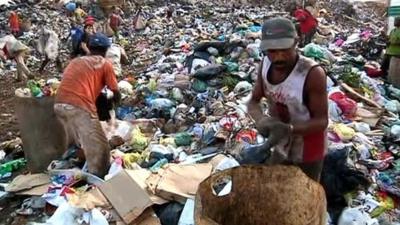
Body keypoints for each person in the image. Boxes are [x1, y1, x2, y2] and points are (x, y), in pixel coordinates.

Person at [247, 17, 328, 182]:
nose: (278, 57)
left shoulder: (312, 74)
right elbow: (253, 101)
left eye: (284, 49)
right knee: (276, 187)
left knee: (304, 195)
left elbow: (321, 121)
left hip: (308, 149)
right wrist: (261, 119)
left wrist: (288, 129)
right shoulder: (265, 65)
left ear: (296, 42)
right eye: (272, 51)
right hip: (280, 143)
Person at [54, 33, 121, 178]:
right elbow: (115, 91)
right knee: (100, 147)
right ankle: (97, 177)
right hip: (78, 106)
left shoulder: (75, 61)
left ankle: (70, 165)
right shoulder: (104, 63)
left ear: (89, 47)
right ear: (106, 50)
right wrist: (117, 109)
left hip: (59, 104)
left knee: (76, 142)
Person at [386, 17, 400, 87]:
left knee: (395, 71)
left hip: (397, 54)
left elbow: (394, 41)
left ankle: (394, 85)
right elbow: (389, 39)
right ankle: (389, 83)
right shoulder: (393, 30)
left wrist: (393, 42)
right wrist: (387, 40)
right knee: (388, 70)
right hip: (390, 53)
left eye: (396, 21)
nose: (395, 22)